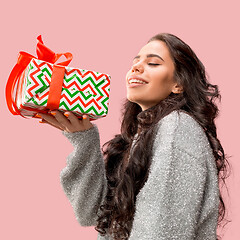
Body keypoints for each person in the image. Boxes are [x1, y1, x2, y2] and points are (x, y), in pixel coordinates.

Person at [37, 33, 231, 240]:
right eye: (135, 62)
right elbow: (91, 213)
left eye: (153, 63)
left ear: (178, 84)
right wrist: (84, 140)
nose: (136, 67)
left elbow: (162, 233)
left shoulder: (177, 128)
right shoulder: (138, 138)